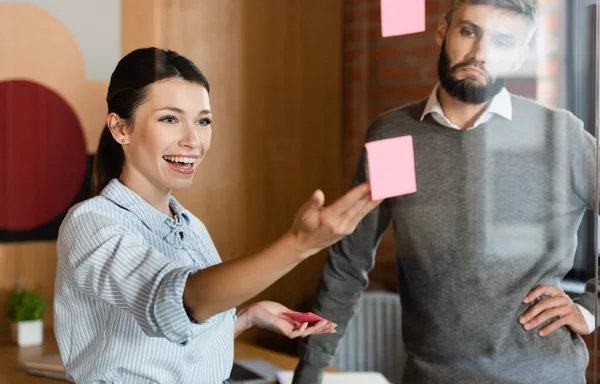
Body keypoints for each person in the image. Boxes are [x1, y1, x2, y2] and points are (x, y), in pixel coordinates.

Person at [292, 0, 599, 383]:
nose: (480, 54)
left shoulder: (558, 135)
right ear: (443, 31)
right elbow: (350, 264)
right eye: (469, 32)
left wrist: (590, 307)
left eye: (503, 41)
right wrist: (309, 371)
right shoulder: (397, 137)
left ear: (521, 55)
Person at [53, 47, 381, 384]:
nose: (193, 140)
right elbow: (174, 301)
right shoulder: (91, 223)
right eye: (170, 118)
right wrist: (299, 244)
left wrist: (245, 318)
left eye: (203, 121)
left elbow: (178, 344)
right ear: (120, 128)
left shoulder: (193, 228)